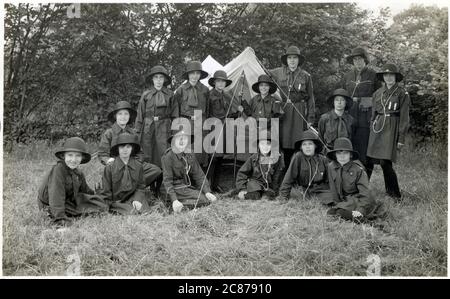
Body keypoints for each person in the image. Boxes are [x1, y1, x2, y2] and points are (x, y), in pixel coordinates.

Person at [38, 137, 108, 226]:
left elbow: (86, 191)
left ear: (82, 158)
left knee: (101, 205)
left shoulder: (78, 173)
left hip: (68, 201)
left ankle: (74, 212)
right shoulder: (58, 170)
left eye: (78, 156)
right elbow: (56, 197)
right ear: (64, 156)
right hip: (50, 204)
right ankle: (62, 216)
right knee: (86, 209)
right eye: (70, 155)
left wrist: (98, 196)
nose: (73, 160)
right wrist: (60, 219)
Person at [366, 64, 410, 199]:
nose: (389, 78)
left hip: (392, 127)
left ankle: (394, 194)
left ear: (396, 77)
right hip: (377, 127)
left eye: (391, 75)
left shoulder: (402, 93)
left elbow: (404, 117)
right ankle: (360, 190)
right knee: (369, 159)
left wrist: (401, 138)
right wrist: (371, 129)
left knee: (385, 162)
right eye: (386, 75)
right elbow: (373, 114)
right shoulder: (377, 93)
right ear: (383, 77)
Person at [97, 100, 162, 192]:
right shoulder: (109, 133)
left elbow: (140, 152)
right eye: (120, 114)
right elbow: (102, 154)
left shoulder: (133, 133)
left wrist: (135, 163)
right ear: (115, 116)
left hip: (133, 164)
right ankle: (122, 189)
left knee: (156, 170)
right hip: (117, 166)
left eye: (126, 114)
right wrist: (108, 160)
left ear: (129, 116)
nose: (123, 117)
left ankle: (133, 187)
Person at [270, 45, 315, 167]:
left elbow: (311, 97)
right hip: (284, 111)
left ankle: (298, 170)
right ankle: (285, 171)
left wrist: (310, 118)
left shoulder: (306, 76)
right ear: (286, 60)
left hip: (299, 110)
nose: (292, 60)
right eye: (290, 58)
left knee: (297, 141)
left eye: (295, 58)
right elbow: (262, 73)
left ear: (298, 60)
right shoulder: (278, 73)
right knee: (284, 141)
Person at [161, 129, 218, 213]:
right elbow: (167, 181)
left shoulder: (189, 153)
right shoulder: (168, 157)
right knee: (204, 201)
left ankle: (180, 204)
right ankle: (172, 204)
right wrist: (174, 200)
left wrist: (207, 191)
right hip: (171, 188)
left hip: (184, 186)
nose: (182, 141)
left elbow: (199, 175)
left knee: (207, 198)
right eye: (179, 139)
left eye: (184, 139)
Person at [341, 47, 380, 169]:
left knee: (364, 150)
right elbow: (341, 95)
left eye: (360, 59)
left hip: (366, 119)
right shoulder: (347, 76)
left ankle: (365, 180)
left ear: (365, 60)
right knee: (350, 148)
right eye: (355, 59)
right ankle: (351, 179)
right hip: (349, 118)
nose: (357, 62)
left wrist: (365, 101)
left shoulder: (374, 76)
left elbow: (380, 98)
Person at [326, 137, 380, 222]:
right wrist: (337, 204)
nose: (342, 156)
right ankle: (347, 213)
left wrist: (360, 209)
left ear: (350, 155)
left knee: (342, 211)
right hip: (345, 200)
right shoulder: (331, 167)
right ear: (335, 155)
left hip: (358, 199)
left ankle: (358, 216)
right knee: (332, 212)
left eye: (345, 153)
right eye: (339, 153)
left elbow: (365, 193)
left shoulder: (358, 169)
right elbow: (333, 189)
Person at [135, 65, 178, 168]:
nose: (158, 80)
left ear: (165, 79)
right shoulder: (146, 95)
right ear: (152, 79)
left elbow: (175, 115)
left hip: (164, 127)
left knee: (164, 154)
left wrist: (175, 132)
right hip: (148, 128)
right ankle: (150, 179)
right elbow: (140, 115)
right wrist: (137, 132)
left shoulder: (170, 95)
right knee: (148, 153)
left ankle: (163, 180)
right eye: (156, 77)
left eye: (161, 77)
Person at [99, 133, 152, 215]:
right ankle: (122, 208)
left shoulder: (138, 166)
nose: (125, 150)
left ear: (132, 149)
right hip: (117, 200)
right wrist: (106, 206)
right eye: (122, 147)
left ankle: (135, 204)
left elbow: (140, 186)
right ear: (117, 149)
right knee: (131, 212)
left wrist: (137, 199)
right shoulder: (110, 167)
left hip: (132, 196)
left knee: (145, 210)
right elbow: (106, 191)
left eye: (128, 147)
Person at [206, 70, 240, 192]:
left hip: (224, 129)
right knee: (212, 158)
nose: (221, 83)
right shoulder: (209, 96)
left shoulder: (227, 96)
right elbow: (207, 113)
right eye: (218, 81)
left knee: (220, 158)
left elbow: (229, 114)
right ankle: (207, 187)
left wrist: (237, 112)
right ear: (214, 82)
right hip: (213, 129)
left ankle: (215, 185)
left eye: (223, 81)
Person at [277, 130, 333, 204]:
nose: (307, 147)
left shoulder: (322, 159)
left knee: (334, 198)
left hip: (320, 190)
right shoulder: (298, 157)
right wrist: (283, 197)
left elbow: (329, 180)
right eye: (304, 144)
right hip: (304, 190)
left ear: (315, 146)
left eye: (310, 144)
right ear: (301, 147)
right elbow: (289, 178)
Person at [173, 60, 210, 168]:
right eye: (192, 73)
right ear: (188, 75)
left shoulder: (205, 90)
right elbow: (176, 111)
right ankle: (188, 181)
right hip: (186, 123)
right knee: (187, 151)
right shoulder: (181, 90)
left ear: (200, 75)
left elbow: (207, 109)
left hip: (201, 123)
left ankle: (200, 180)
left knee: (200, 152)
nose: (194, 76)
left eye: (197, 73)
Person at [236, 130, 284, 200]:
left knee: (267, 197)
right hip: (255, 184)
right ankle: (245, 195)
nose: (265, 147)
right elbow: (242, 173)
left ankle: (265, 195)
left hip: (268, 186)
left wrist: (276, 191)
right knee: (255, 195)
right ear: (258, 145)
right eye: (262, 144)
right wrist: (242, 188)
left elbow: (277, 177)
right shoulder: (253, 158)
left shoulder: (276, 158)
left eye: (268, 144)